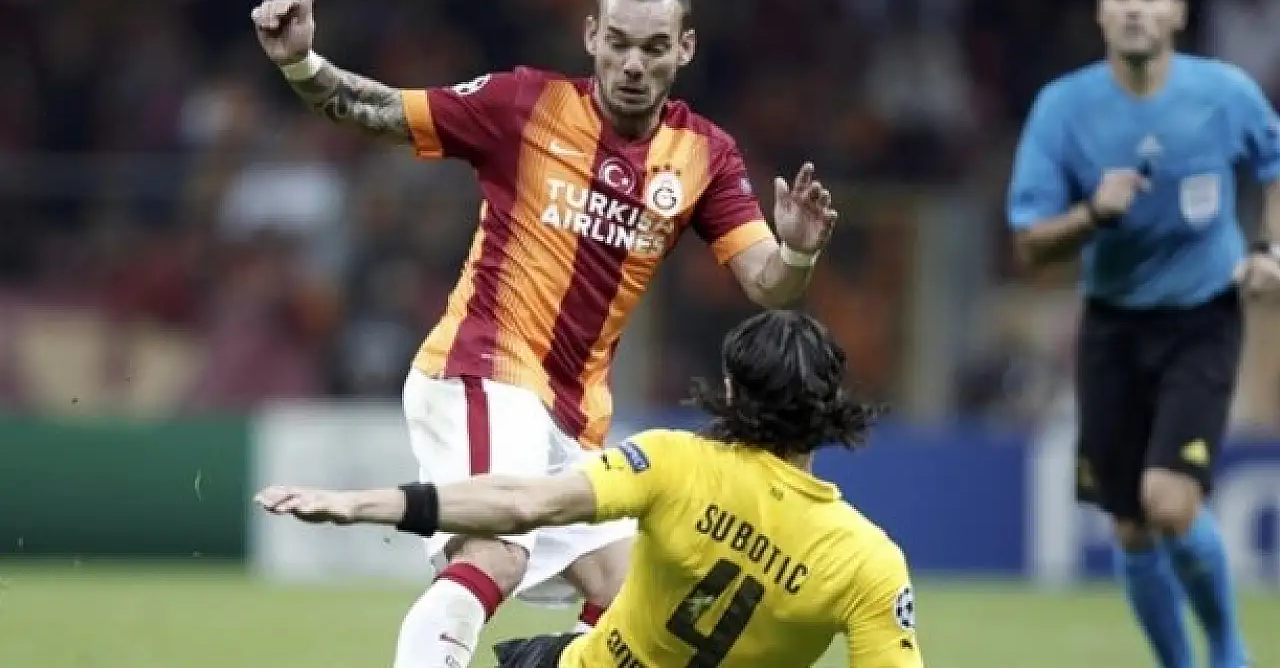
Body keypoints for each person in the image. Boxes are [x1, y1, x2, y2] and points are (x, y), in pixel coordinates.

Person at [249, 0, 838, 668]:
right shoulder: (524, 104)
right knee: (493, 554)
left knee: (631, 599)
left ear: (684, 49)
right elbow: (381, 112)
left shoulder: (704, 156)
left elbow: (768, 286)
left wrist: (798, 251)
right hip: (484, 369)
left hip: (575, 411)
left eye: (653, 47)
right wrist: (302, 63)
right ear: (591, 36)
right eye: (618, 42)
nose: (632, 63)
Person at [257, 310, 921, 668]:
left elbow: (519, 504)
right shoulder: (869, 562)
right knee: (607, 574)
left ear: (730, 391)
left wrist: (359, 504)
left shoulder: (672, 462)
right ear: (832, 410)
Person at [1006, 0, 1280, 666]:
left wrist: (1270, 249)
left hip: (1202, 315)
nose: (1135, 8)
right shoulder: (1062, 108)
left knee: (1168, 501)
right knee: (1129, 527)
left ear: (1178, 11)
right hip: (1112, 323)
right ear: (1100, 11)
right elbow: (1031, 244)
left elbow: (1274, 163)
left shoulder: (1224, 94)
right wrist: (1093, 213)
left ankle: (1227, 647)